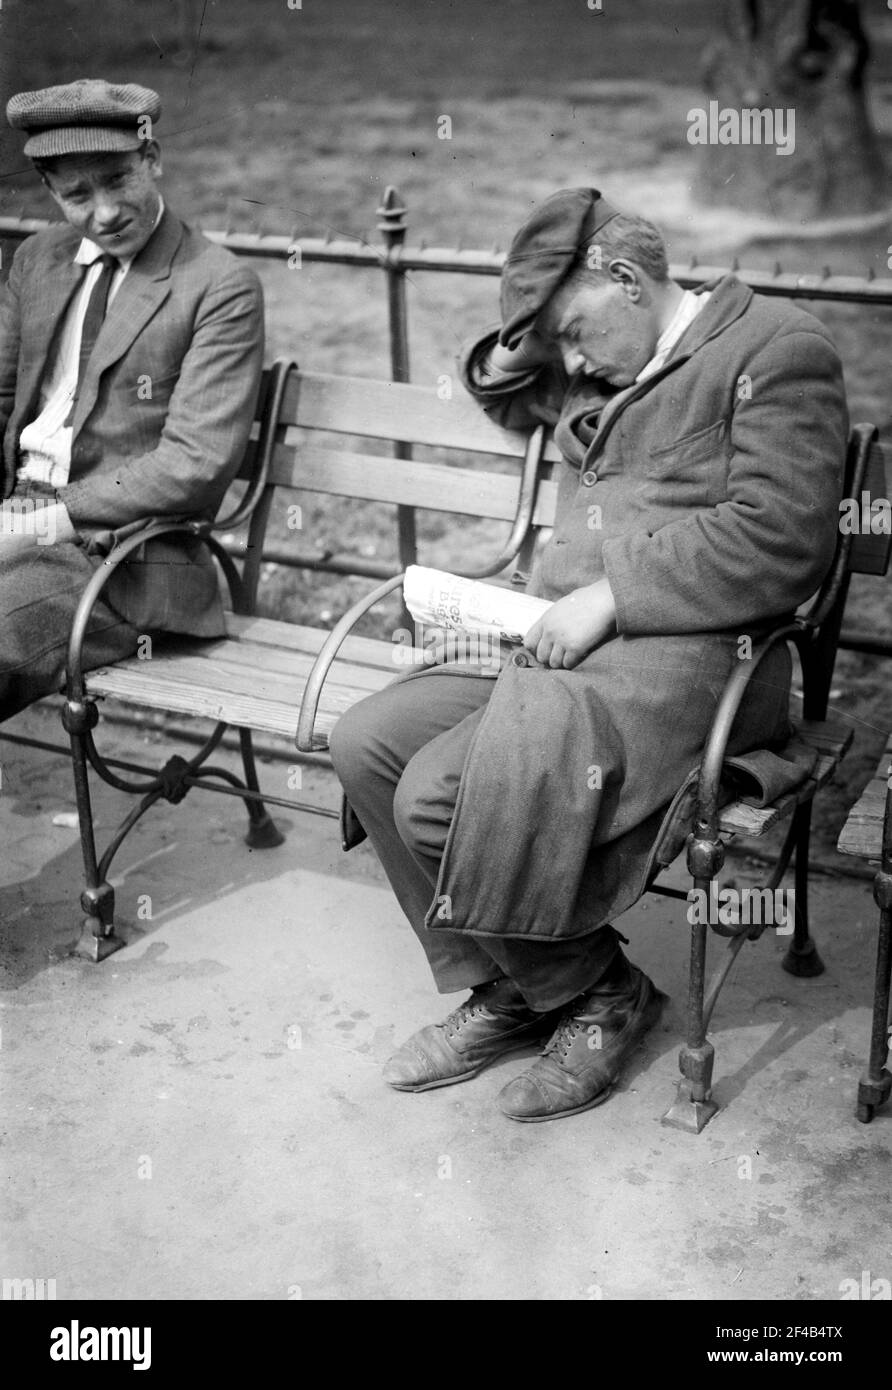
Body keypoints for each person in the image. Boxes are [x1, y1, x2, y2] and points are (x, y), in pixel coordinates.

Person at [329, 186, 848, 1123]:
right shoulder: (606, 359)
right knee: (367, 740)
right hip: (563, 643)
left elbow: (785, 538)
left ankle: (599, 996)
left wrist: (614, 595)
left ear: (625, 279)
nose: (570, 360)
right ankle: (521, 984)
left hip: (700, 660)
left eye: (574, 332)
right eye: (561, 343)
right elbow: (502, 385)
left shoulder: (777, 348)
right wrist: (538, 322)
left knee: (438, 795)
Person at [0, 78, 264, 719]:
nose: (105, 212)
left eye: (118, 180)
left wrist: (37, 524)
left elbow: (193, 464)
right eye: (77, 195)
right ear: (50, 192)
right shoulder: (39, 259)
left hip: (123, 558)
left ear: (152, 160)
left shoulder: (217, 286)